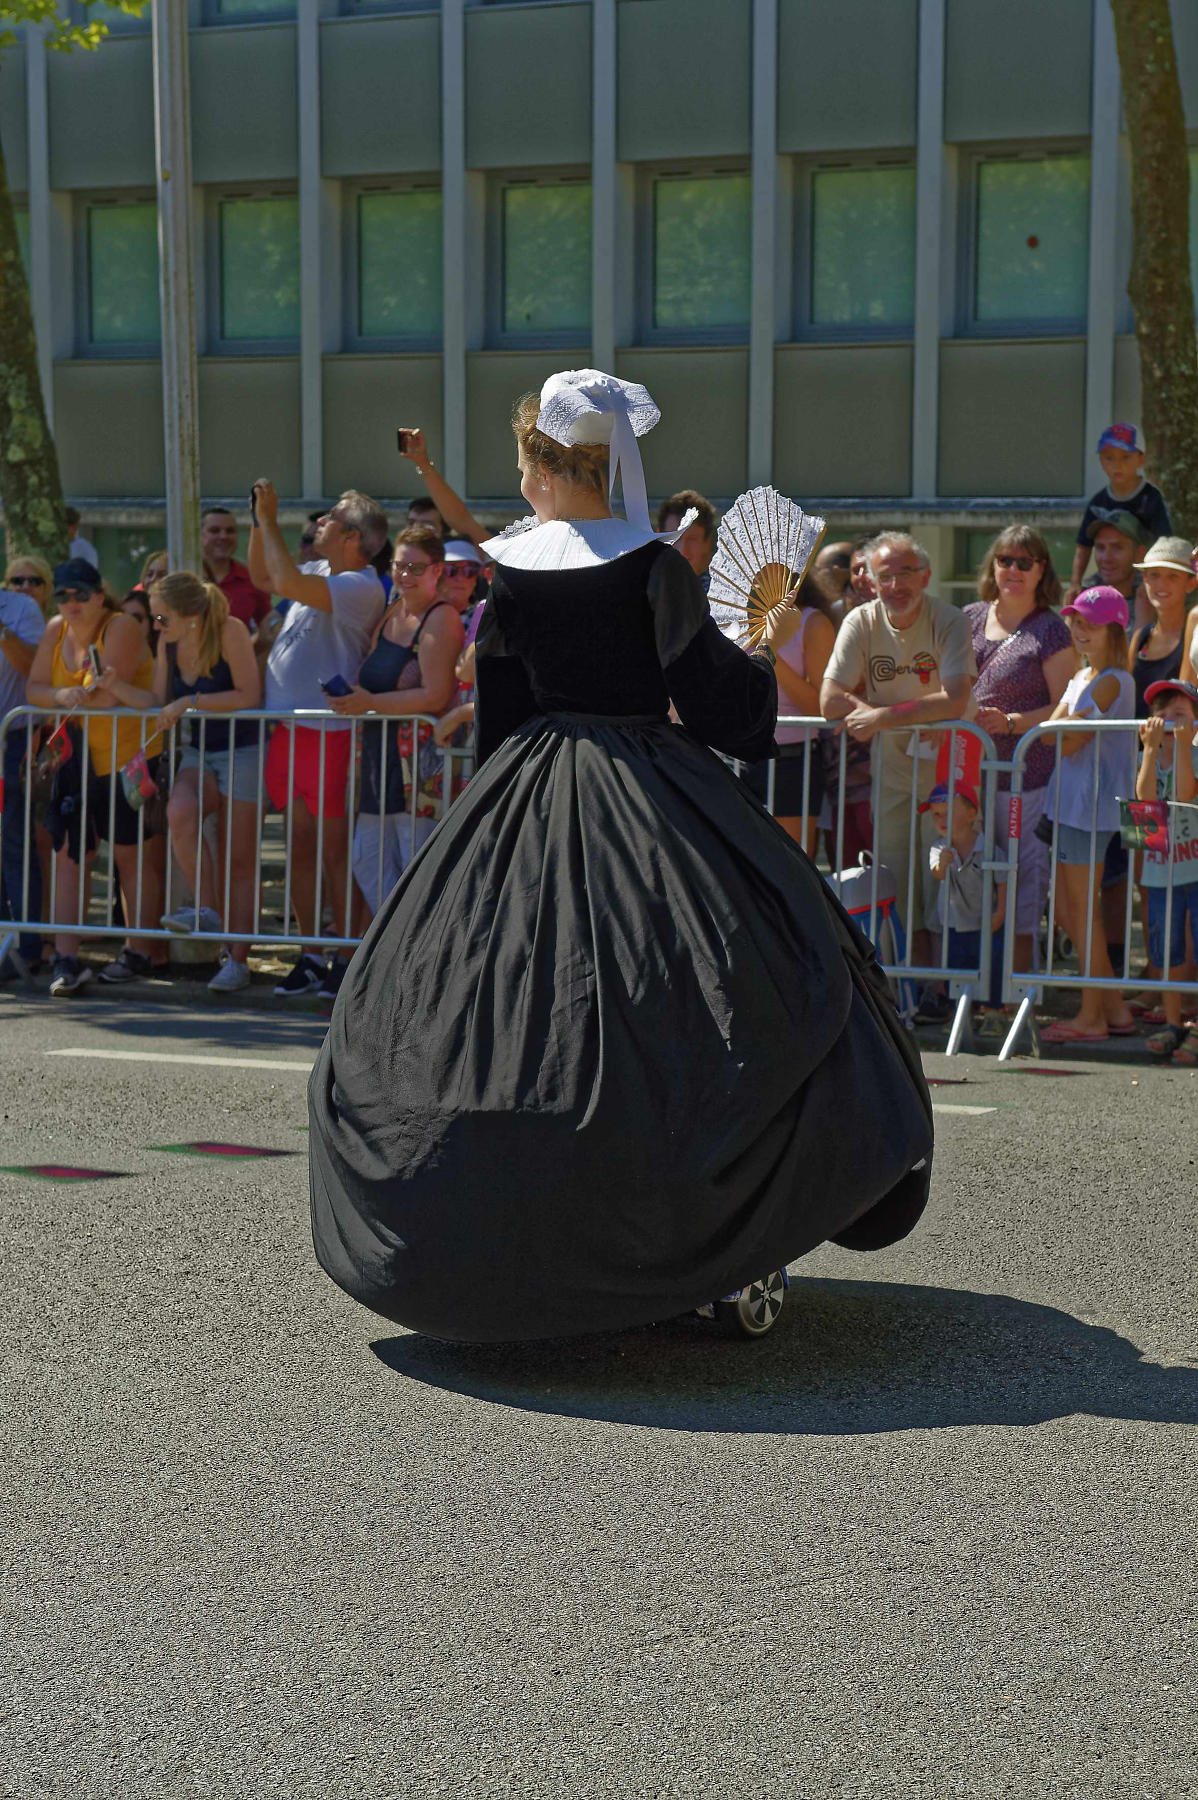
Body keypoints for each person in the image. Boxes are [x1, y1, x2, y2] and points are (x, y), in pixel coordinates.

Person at [308, 368, 933, 1344]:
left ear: (544, 465)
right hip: (647, 785)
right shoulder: (650, 565)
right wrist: (759, 663)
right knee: (721, 980)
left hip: (527, 785)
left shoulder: (514, 568)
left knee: (498, 999)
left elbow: (504, 703)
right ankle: (695, 1233)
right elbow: (721, 706)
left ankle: (500, 1231)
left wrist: (497, 813)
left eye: (522, 465)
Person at [820, 531, 976, 994]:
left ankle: (947, 991)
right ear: (870, 581)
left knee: (944, 878)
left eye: (906, 573)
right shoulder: (861, 621)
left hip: (947, 772)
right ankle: (907, 992)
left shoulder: (948, 619)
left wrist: (882, 717)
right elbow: (829, 700)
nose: (896, 585)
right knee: (896, 879)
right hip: (891, 774)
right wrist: (912, 715)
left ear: (925, 576)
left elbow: (954, 699)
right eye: (885, 576)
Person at [248, 484, 386, 996]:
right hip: (290, 731)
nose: (319, 524)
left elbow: (281, 578)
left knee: (335, 853)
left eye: (330, 518)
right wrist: (257, 521)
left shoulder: (360, 584)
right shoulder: (321, 569)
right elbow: (265, 577)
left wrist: (270, 519)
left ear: (352, 536)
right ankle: (309, 953)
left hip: (331, 734)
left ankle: (346, 956)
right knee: (300, 848)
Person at [95, 572, 262, 995]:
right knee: (179, 810)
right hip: (201, 752)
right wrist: (115, 686)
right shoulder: (168, 643)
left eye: (161, 618)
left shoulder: (229, 630)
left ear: (189, 615)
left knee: (239, 859)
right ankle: (207, 911)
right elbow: (156, 701)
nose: (156, 626)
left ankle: (238, 960)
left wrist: (190, 702)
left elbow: (249, 696)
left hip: (244, 750)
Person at [25, 559, 165, 995]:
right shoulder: (56, 629)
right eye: (63, 595)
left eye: (81, 595)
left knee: (129, 855)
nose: (72, 603)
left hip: (128, 757)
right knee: (69, 855)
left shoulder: (120, 626)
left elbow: (104, 698)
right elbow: (34, 689)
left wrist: (62, 698)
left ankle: (138, 950)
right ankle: (66, 958)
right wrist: (62, 693)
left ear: (100, 596)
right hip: (75, 759)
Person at [327, 527, 463, 949]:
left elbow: (436, 694)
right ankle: (400, 949)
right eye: (399, 566)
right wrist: (352, 697)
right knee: (367, 860)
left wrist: (370, 702)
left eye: (415, 567)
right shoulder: (390, 613)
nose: (404, 575)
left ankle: (420, 954)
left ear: (436, 570)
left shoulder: (441, 618)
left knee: (415, 862)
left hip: (418, 765)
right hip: (376, 755)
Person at [966, 527, 1076, 990]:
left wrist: (1011, 722)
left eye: (1024, 562)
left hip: (1026, 779)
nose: (1013, 569)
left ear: (1041, 570)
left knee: (1024, 882)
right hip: (969, 777)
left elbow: (1066, 706)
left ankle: (1017, 994)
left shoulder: (1051, 630)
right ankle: (975, 990)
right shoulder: (969, 617)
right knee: (971, 878)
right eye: (1005, 560)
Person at [1039, 587, 1138, 1045]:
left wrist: (1060, 727)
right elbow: (1050, 735)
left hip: (1091, 810)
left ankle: (1092, 1015)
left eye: (1090, 624)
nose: (1080, 630)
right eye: (1076, 622)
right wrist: (1060, 727)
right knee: (1067, 909)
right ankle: (1112, 1007)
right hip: (1069, 806)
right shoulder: (1083, 675)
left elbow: (1067, 738)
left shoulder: (1115, 679)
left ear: (1114, 630)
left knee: (1082, 911)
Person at [741, 570, 836, 854]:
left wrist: (766, 649)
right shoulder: (730, 622)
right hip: (735, 758)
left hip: (792, 760)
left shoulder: (813, 623)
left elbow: (820, 707)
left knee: (792, 865)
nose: (758, 577)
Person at [1134, 680, 1198, 1063]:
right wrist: (1149, 750)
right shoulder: (1150, 757)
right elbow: (1145, 800)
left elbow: (1185, 793)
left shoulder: (1195, 753)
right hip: (1161, 872)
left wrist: (1185, 746)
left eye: (1180, 714)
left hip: (1195, 869)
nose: (1170, 722)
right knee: (1166, 953)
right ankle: (1174, 1023)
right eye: (1162, 714)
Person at [0, 572, 48, 972]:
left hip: (10, 741)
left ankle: (27, 949)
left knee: (13, 842)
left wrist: (3, 632)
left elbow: (33, 667)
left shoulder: (22, 609)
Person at [1067, 424, 1171, 605]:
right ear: (1101, 461)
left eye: (1125, 457)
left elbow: (1164, 544)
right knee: (1086, 599)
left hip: (1143, 574)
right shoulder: (1098, 502)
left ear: (1141, 459)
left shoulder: (1151, 498)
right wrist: (1075, 582)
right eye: (1109, 458)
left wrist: (1154, 577)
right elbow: (1083, 546)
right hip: (1108, 573)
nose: (1117, 465)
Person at [923, 778, 1006, 991]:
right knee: (956, 972)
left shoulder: (988, 847)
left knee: (991, 970)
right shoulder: (938, 847)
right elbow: (937, 874)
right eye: (936, 814)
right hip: (954, 924)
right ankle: (959, 1008)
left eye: (948, 812)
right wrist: (942, 864)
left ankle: (990, 1008)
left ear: (971, 814)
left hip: (985, 923)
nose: (941, 819)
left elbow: (1002, 879)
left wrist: (1000, 912)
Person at [200, 506, 271, 633]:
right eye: (214, 530)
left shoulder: (253, 580)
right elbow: (160, 617)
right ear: (199, 535)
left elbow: (268, 625)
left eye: (230, 531)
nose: (223, 536)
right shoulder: (184, 577)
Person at [656, 490, 717, 588]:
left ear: (707, 543)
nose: (683, 550)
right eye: (674, 538)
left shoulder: (722, 593)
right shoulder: (638, 588)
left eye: (692, 539)